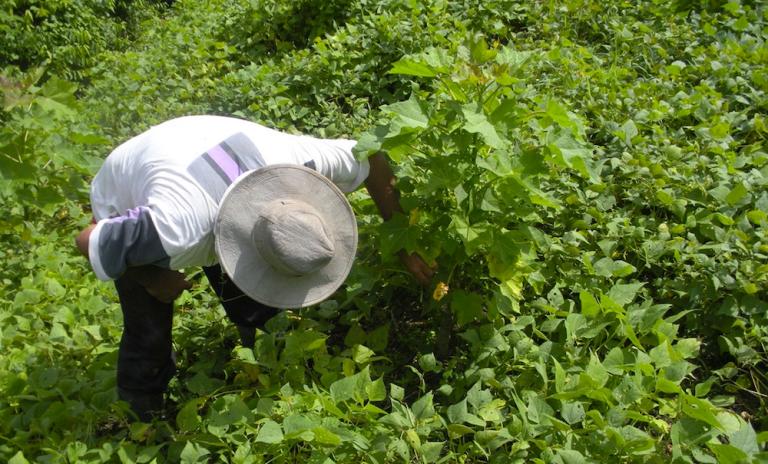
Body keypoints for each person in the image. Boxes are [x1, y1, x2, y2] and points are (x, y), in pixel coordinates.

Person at [74, 115, 434, 421]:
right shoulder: (174, 230)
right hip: (135, 181)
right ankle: (142, 416)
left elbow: (371, 156)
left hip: (203, 146)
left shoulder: (301, 164)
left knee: (257, 305)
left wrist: (404, 242)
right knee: (147, 329)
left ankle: (258, 346)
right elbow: (87, 238)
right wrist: (150, 276)